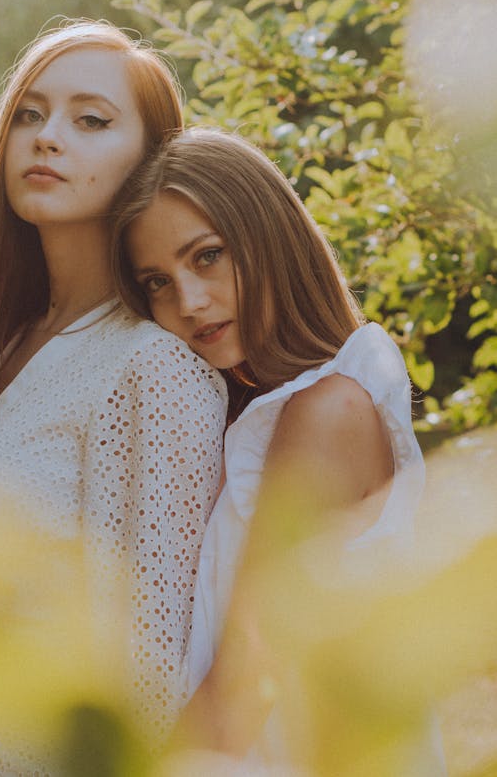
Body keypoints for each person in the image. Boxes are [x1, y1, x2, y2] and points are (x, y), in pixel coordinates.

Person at [0, 24, 228, 775]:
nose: (47, 138)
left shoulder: (152, 366)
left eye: (90, 119)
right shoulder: (19, 340)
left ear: (151, 161)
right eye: (29, 114)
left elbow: (152, 688)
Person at [112, 127, 445, 774]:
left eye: (207, 255)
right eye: (156, 280)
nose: (188, 300)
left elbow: (244, 683)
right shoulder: (257, 415)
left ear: (270, 235)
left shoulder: (327, 411)